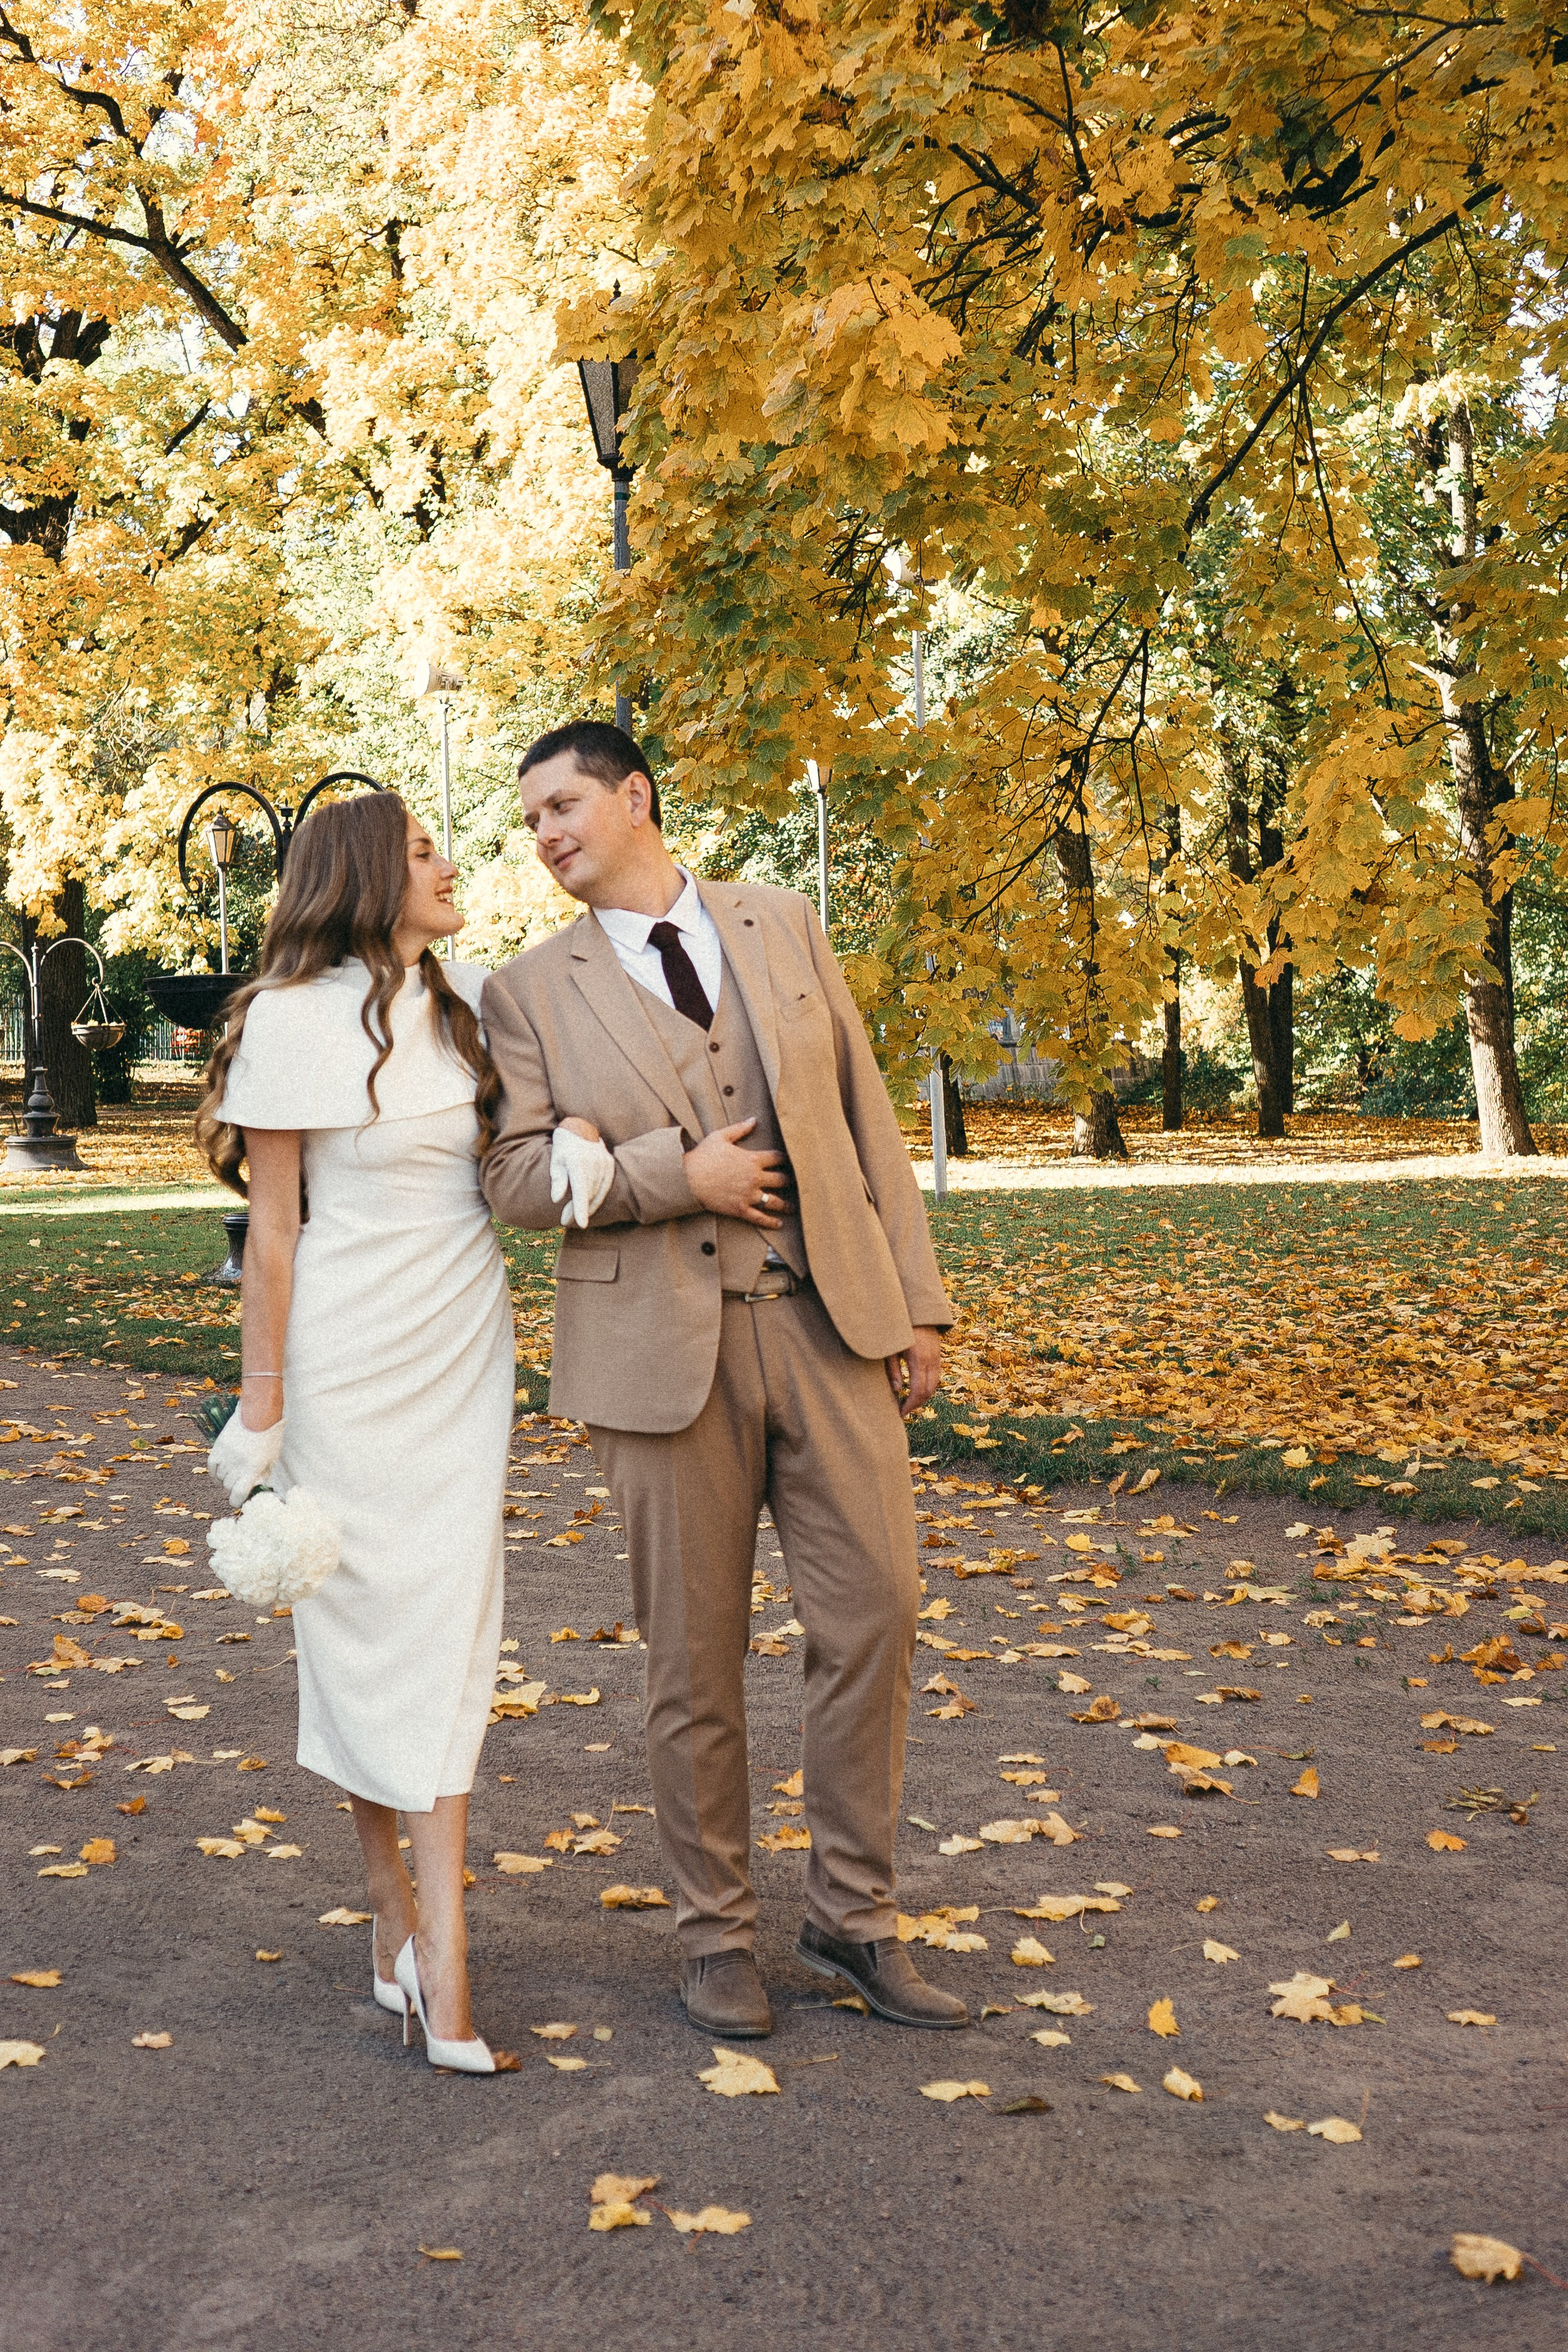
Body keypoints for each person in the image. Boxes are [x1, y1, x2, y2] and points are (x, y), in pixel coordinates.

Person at [480, 720, 967, 2039]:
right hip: (656, 1359)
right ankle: (715, 1937)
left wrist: (916, 1303)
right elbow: (512, 1178)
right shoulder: (528, 992)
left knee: (876, 1615)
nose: (545, 836)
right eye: (531, 821)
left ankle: (853, 1919)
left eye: (563, 806)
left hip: (828, 1323)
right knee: (693, 1664)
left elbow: (865, 1115)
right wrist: (666, 1176)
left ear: (635, 797)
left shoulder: (780, 921)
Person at [196, 791, 514, 2075]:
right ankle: (406, 1918)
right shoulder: (286, 1018)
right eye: (424, 851)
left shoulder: (476, 998)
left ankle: (436, 1943)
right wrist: (261, 1410)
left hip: (460, 1348)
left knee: (448, 1625)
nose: (449, 866)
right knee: (359, 1629)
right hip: (344, 1357)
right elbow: (273, 1233)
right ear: (367, 876)